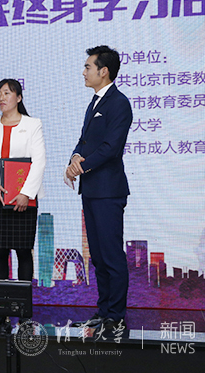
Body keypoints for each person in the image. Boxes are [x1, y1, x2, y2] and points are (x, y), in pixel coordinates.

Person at [66, 46, 132, 331]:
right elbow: (85, 141)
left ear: (103, 71)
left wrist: (81, 167)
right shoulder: (95, 102)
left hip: (108, 191)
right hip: (91, 190)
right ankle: (103, 311)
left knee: (111, 255)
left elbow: (110, 147)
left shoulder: (119, 103)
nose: (84, 72)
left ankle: (115, 315)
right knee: (98, 257)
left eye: (88, 67)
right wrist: (73, 158)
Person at [0, 79, 46, 324]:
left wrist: (26, 193)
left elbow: (39, 161)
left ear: (19, 97)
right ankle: (1, 311)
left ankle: (23, 311)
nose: (1, 98)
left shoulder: (33, 124)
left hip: (23, 198)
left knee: (23, 252)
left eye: (7, 93)